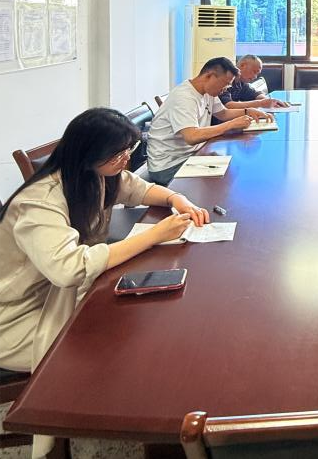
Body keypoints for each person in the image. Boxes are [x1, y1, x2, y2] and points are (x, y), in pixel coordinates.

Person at [0, 108, 210, 374]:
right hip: (19, 314)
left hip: (66, 293)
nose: (126, 159)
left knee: (141, 322)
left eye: (128, 150)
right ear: (88, 153)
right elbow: (68, 269)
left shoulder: (93, 174)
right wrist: (154, 235)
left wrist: (177, 199)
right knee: (114, 347)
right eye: (117, 154)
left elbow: (140, 189)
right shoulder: (38, 202)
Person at [147, 56, 273, 185]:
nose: (226, 88)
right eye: (225, 83)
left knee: (237, 170)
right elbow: (191, 136)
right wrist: (230, 125)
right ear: (209, 76)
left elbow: (223, 113)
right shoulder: (184, 97)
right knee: (224, 182)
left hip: (191, 155)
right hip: (169, 165)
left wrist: (248, 111)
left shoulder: (208, 92)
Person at [220, 55, 290, 110]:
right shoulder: (225, 80)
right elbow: (228, 105)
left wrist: (271, 101)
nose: (255, 77)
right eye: (254, 71)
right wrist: (260, 103)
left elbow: (256, 94)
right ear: (242, 65)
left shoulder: (241, 83)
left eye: (257, 74)